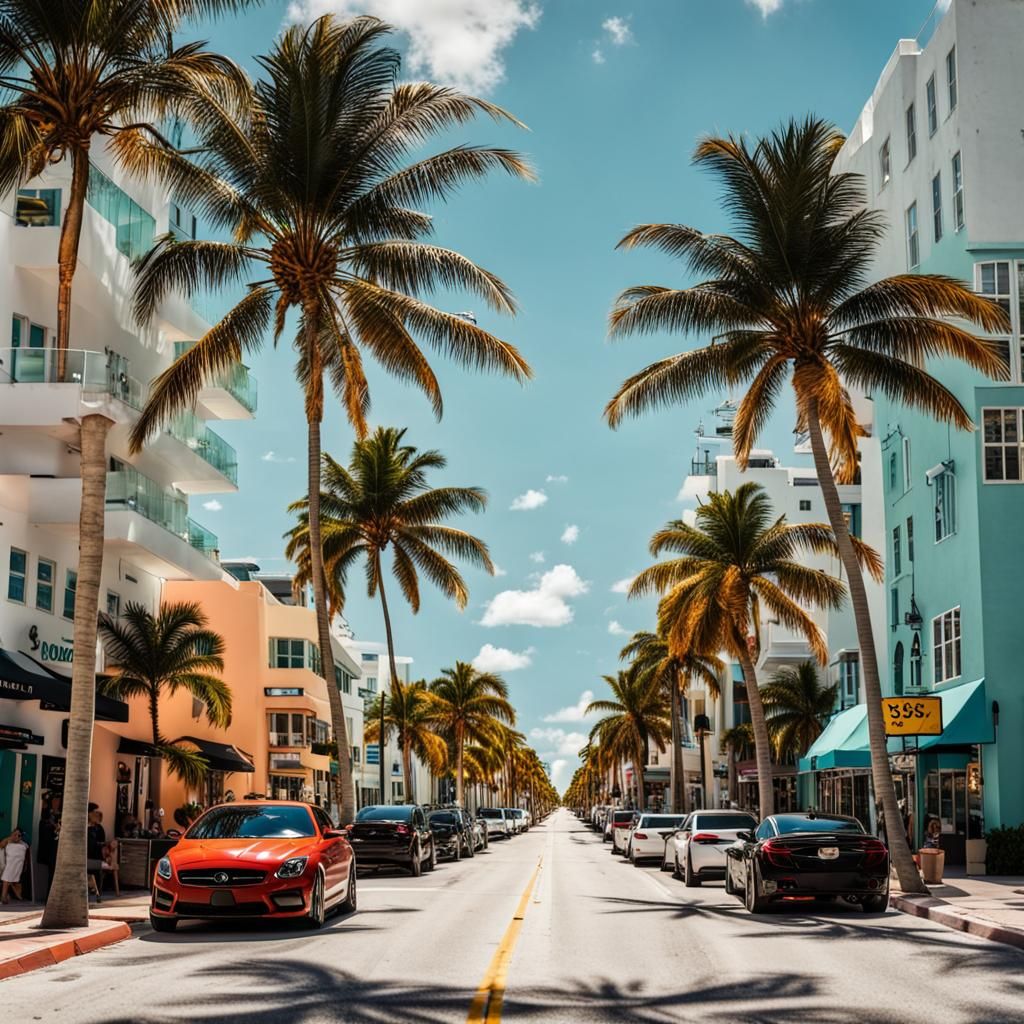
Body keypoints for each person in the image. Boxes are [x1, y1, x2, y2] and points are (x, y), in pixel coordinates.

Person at [37, 794, 61, 901]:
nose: (57, 803)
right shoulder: (46, 816)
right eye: (55, 800)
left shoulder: (61, 815)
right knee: (51, 872)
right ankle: (49, 897)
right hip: (50, 849)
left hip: (59, 848)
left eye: (58, 801)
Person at [1, 828, 29, 903]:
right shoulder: (8, 840)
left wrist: (25, 864)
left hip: (18, 864)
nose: (16, 836)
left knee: (19, 895)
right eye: (15, 834)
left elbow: (25, 856)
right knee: (7, 876)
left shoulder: (24, 844)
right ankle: (3, 896)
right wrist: (11, 838)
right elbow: (1, 846)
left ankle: (7, 894)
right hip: (9, 863)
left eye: (19, 835)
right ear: (12, 834)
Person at [87, 807, 106, 902]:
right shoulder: (86, 828)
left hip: (96, 855)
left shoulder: (99, 828)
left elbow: (102, 842)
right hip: (86, 856)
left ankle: (97, 895)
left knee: (96, 873)